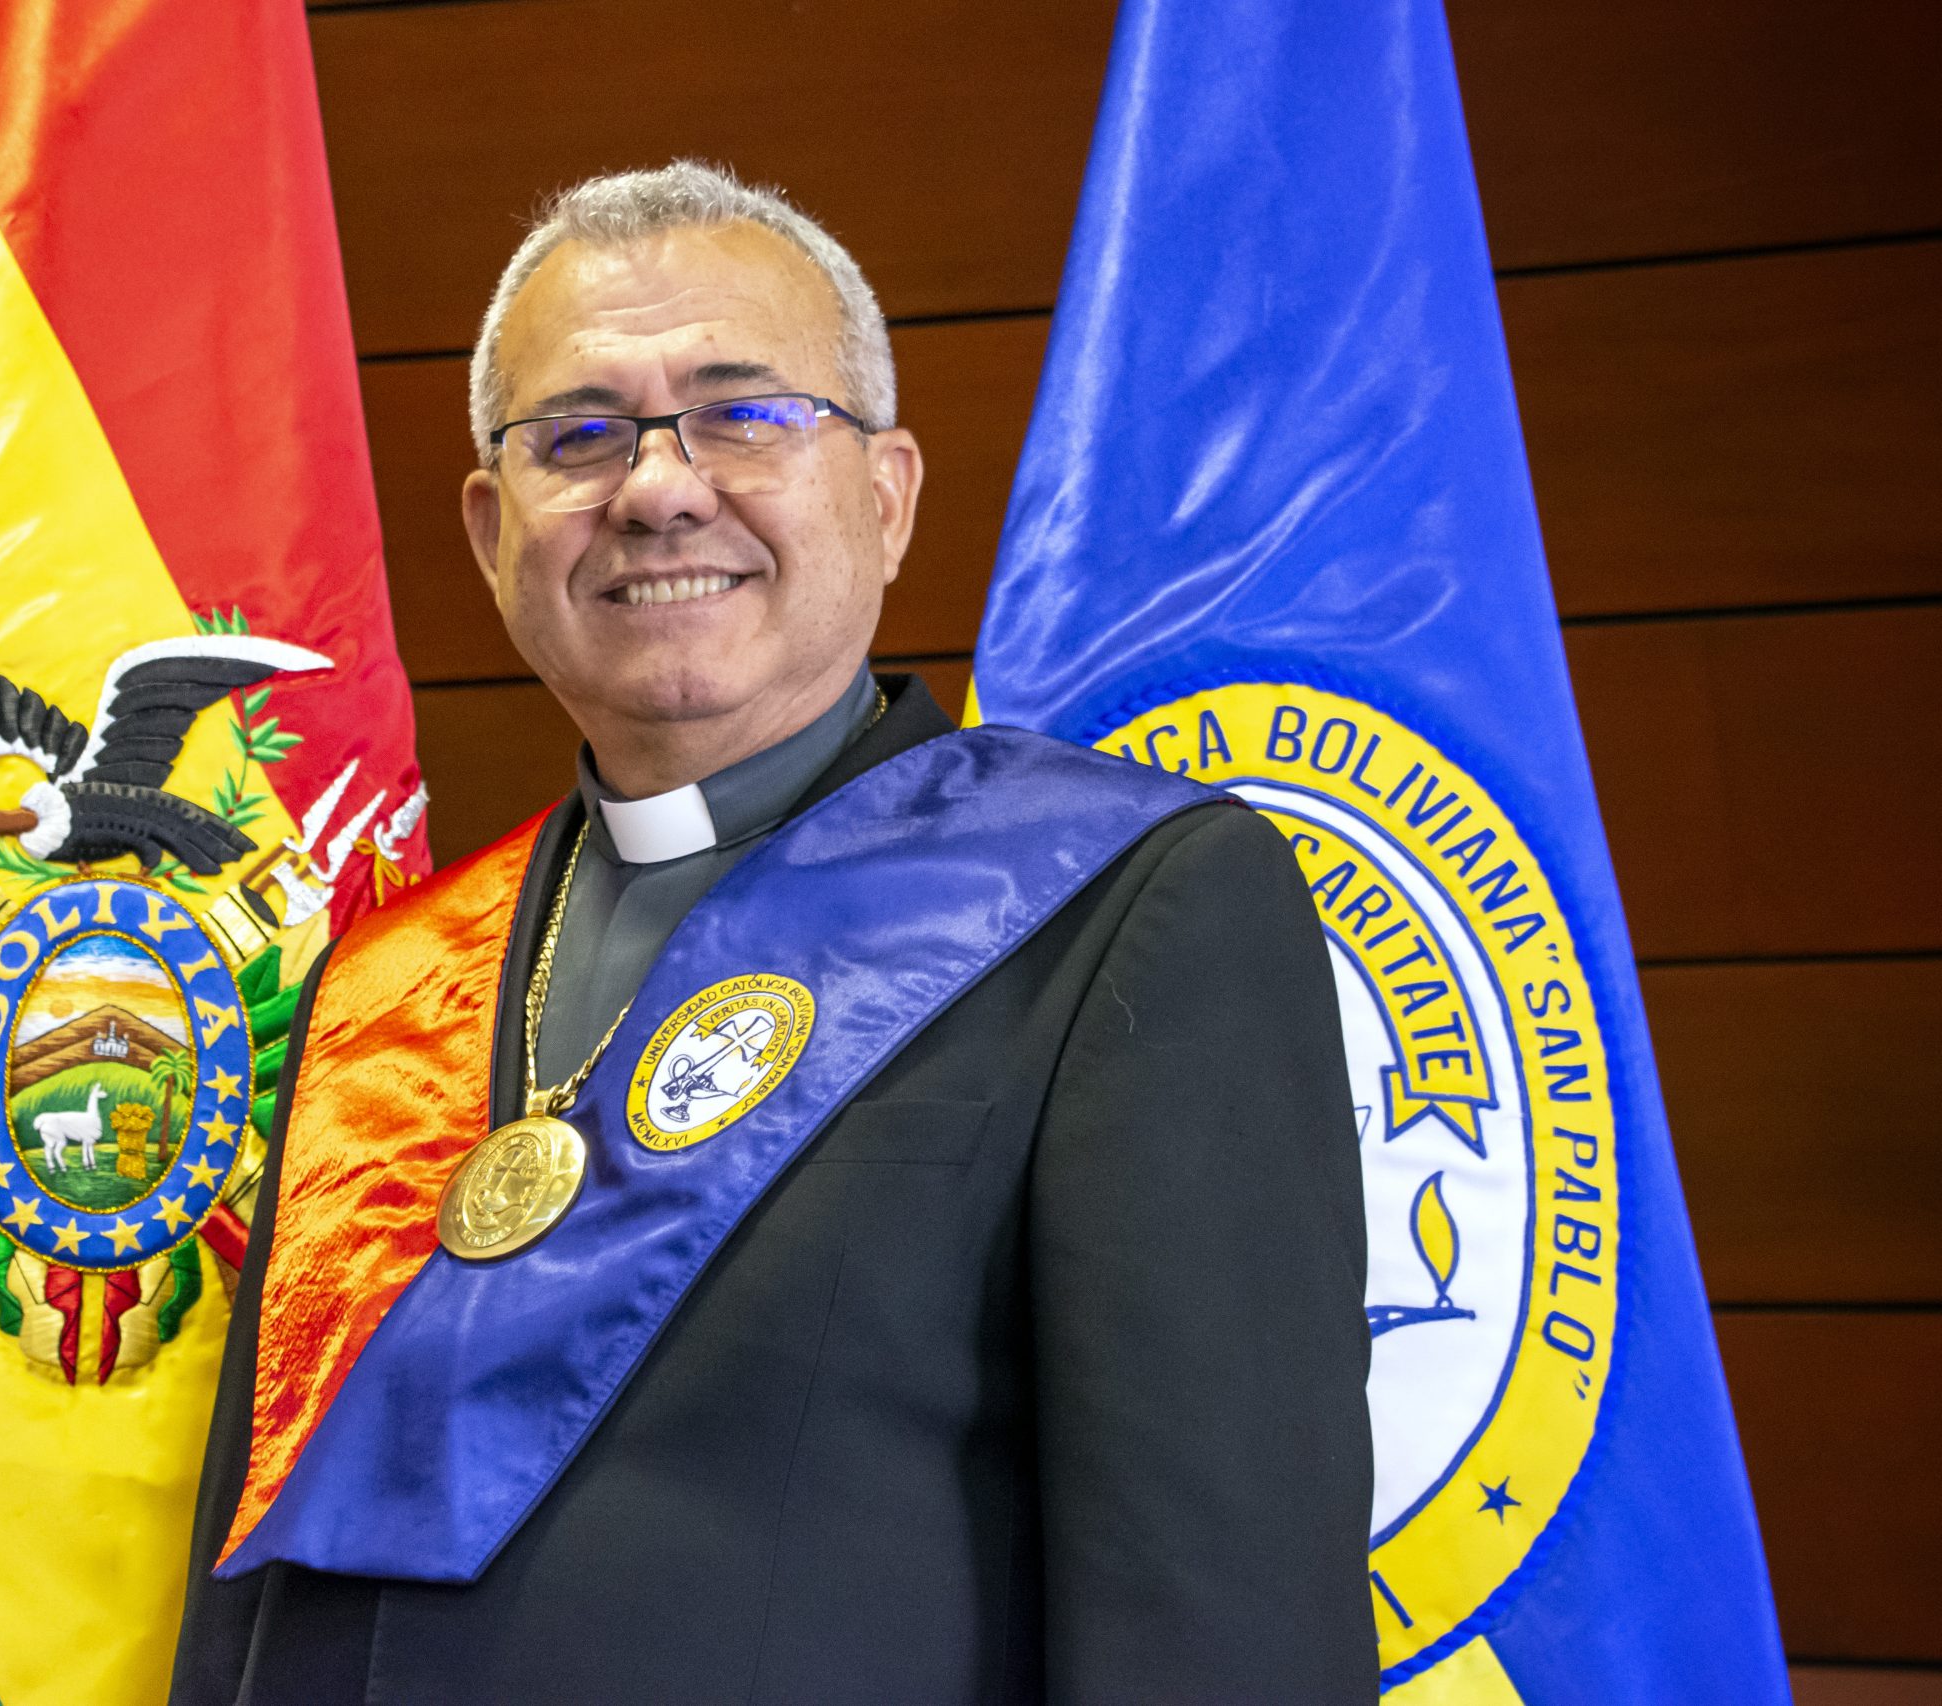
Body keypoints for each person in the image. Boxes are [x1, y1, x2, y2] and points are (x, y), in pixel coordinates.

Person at [170, 161, 1373, 1705]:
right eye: (579, 434)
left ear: (887, 496)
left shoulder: (1131, 910)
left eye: (743, 414)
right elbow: (254, 1585)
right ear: (490, 530)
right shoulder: (386, 984)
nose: (659, 488)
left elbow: (1221, 1628)